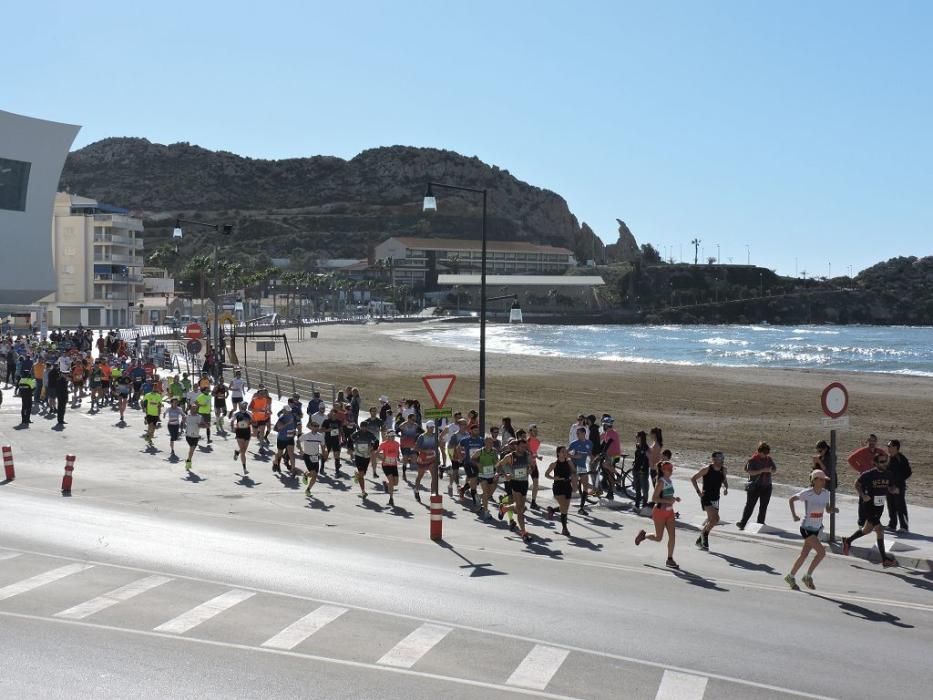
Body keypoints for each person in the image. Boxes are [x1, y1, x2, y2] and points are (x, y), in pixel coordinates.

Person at [843, 452, 898, 567]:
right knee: (879, 529)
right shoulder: (869, 474)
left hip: (880, 505)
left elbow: (891, 487)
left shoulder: (889, 474)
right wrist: (863, 495)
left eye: (885, 461)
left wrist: (894, 490)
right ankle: (885, 559)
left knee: (866, 530)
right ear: (875, 463)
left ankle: (848, 541)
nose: (884, 463)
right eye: (881, 461)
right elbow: (857, 484)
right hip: (868, 505)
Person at [785, 469, 837, 590]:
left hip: (817, 529)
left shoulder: (826, 493)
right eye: (822, 479)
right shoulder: (807, 493)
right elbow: (791, 499)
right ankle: (807, 576)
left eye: (825, 479)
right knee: (821, 553)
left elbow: (827, 509)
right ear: (815, 480)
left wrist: (833, 510)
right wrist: (794, 515)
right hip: (806, 528)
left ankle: (790, 576)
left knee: (803, 555)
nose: (824, 481)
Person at [635, 460, 680, 569]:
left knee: (672, 536)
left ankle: (670, 559)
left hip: (669, 512)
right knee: (658, 538)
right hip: (659, 512)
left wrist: (674, 498)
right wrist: (669, 501)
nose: (671, 471)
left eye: (671, 469)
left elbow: (667, 496)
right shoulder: (660, 482)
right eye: (669, 469)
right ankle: (644, 536)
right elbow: (654, 498)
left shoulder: (669, 480)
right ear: (663, 470)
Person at [497, 438, 534, 542]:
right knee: (520, 510)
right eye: (522, 447)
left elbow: (532, 465)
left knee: (519, 507)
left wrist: (531, 468)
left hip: (524, 483)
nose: (524, 448)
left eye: (525, 447)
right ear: (517, 446)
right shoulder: (510, 456)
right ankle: (524, 532)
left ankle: (504, 509)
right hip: (515, 483)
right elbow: (499, 466)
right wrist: (505, 475)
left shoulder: (527, 455)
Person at [691, 451, 728, 551]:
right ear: (714, 459)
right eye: (719, 458)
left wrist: (725, 488)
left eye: (722, 458)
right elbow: (693, 478)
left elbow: (724, 481)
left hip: (716, 497)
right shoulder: (707, 469)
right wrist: (698, 492)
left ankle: (700, 539)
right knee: (714, 518)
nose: (722, 460)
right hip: (706, 497)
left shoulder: (723, 470)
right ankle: (705, 536)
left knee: (714, 520)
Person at [737, 442, 776, 530]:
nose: (766, 455)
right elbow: (750, 472)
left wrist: (770, 470)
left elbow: (774, 470)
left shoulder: (769, 459)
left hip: (767, 486)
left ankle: (760, 523)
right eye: (764, 453)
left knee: (764, 506)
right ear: (759, 452)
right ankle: (743, 523)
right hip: (755, 486)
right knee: (750, 506)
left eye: (767, 453)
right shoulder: (752, 460)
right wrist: (762, 470)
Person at [847, 434, 885, 527]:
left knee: (879, 501)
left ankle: (876, 521)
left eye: (874, 441)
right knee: (864, 501)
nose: (872, 443)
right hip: (866, 480)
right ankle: (861, 522)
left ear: (876, 442)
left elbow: (887, 459)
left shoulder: (880, 452)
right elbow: (850, 459)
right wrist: (860, 469)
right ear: (867, 441)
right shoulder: (862, 451)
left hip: (877, 480)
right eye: (870, 441)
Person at [546, 446, 577, 536]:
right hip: (558, 487)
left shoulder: (569, 462)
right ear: (558, 453)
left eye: (565, 451)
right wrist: (554, 478)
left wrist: (573, 476)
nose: (565, 453)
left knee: (565, 508)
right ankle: (564, 529)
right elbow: (546, 474)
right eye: (563, 451)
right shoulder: (554, 464)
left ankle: (552, 510)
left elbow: (574, 471)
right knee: (564, 508)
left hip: (567, 486)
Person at [886, 440, 911, 532]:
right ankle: (892, 525)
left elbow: (908, 472)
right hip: (888, 486)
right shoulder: (887, 458)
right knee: (891, 506)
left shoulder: (901, 458)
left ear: (896, 447)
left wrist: (898, 484)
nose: (888, 448)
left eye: (890, 446)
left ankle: (904, 526)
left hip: (898, 487)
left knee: (900, 506)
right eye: (887, 446)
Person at [349, 423, 379, 497]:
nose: (364, 428)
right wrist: (351, 449)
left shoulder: (370, 434)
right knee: (362, 474)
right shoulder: (356, 434)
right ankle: (363, 491)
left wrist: (373, 449)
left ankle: (357, 475)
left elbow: (376, 441)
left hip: (366, 456)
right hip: (358, 455)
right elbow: (350, 440)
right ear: (360, 427)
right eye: (362, 427)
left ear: (367, 427)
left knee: (363, 474)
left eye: (365, 427)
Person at [569, 426, 593, 515]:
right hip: (574, 466)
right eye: (576, 433)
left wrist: (593, 458)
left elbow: (589, 452)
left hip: (582, 466)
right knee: (574, 489)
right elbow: (566, 454)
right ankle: (563, 497)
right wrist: (575, 456)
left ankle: (581, 508)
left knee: (585, 486)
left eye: (578, 433)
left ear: (584, 434)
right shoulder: (574, 443)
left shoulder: (589, 443)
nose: (577, 435)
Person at [475, 435, 500, 519]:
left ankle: (479, 496)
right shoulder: (480, 451)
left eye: (492, 442)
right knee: (486, 493)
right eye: (489, 442)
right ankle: (486, 512)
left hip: (491, 475)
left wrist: (497, 472)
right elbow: (472, 459)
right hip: (482, 475)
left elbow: (497, 463)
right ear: (485, 442)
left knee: (489, 494)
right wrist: (478, 464)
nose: (490, 443)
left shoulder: (494, 451)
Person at [413, 421, 439, 501]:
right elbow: (416, 448)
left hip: (432, 459)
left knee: (434, 477)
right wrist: (425, 451)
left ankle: (432, 494)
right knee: (420, 476)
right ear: (427, 427)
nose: (432, 429)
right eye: (431, 427)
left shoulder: (435, 436)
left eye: (433, 427)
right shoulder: (422, 436)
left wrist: (439, 458)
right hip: (423, 459)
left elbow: (437, 448)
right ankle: (416, 490)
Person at [377, 429, 401, 507]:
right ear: (388, 437)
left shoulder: (397, 444)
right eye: (391, 436)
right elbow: (377, 453)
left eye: (394, 436)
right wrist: (382, 459)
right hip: (386, 465)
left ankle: (386, 485)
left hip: (394, 465)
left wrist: (398, 457)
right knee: (391, 480)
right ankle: (391, 499)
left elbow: (398, 452)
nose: (393, 438)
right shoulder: (383, 444)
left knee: (396, 483)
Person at [300, 421, 324, 497]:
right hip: (307, 456)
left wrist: (324, 453)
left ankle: (308, 489)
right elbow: (298, 441)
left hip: (315, 457)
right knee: (313, 473)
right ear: (311, 427)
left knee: (314, 475)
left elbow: (323, 445)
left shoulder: (320, 436)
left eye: (317, 426)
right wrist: (301, 450)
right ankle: (307, 479)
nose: (316, 427)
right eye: (315, 426)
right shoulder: (306, 435)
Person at [271, 408, 297, 475]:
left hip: (290, 438)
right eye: (287, 410)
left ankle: (293, 469)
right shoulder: (282, 417)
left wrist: (295, 432)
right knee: (280, 454)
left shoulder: (293, 416)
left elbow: (294, 425)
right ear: (284, 411)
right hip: (281, 439)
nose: (289, 411)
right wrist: (288, 423)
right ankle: (275, 462)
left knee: (291, 454)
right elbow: (279, 427)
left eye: (290, 410)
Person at [231, 401, 253, 473]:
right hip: (239, 433)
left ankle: (237, 452)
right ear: (240, 406)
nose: (245, 406)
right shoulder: (237, 414)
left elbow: (254, 422)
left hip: (247, 433)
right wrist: (233, 428)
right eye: (244, 405)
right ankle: (244, 468)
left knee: (243, 450)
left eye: (246, 405)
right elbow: (232, 422)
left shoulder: (249, 414)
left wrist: (249, 422)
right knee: (243, 451)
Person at [632, 431, 651, 512]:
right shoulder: (638, 446)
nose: (636, 438)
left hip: (643, 471)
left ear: (641, 438)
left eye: (637, 437)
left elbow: (648, 459)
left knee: (644, 489)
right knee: (637, 489)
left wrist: (643, 467)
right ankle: (637, 505)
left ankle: (644, 505)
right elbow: (637, 457)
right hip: (636, 470)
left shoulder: (646, 448)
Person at [142, 384, 162, 448]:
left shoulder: (159, 396)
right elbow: (142, 401)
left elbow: (159, 406)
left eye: (156, 387)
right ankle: (148, 436)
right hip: (149, 413)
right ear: (152, 388)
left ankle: (149, 437)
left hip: (155, 414)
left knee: (153, 428)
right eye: (154, 387)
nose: (155, 388)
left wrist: (159, 415)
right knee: (150, 425)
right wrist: (143, 408)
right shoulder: (148, 395)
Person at [183, 404, 202, 471]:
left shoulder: (199, 416)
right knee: (191, 448)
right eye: (193, 408)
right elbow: (183, 424)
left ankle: (188, 460)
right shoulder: (187, 416)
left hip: (196, 436)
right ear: (190, 409)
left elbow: (200, 425)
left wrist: (205, 425)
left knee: (192, 450)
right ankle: (188, 462)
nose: (194, 409)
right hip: (188, 436)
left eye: (195, 408)